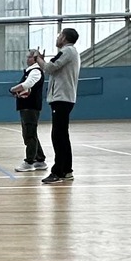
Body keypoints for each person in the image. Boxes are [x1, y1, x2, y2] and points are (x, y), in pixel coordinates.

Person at [42, 26, 82, 185]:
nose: (57, 37)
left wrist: (39, 59)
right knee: (62, 135)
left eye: (60, 35)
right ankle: (67, 170)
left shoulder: (68, 51)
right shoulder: (69, 52)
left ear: (64, 38)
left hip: (62, 99)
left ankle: (58, 171)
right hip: (62, 99)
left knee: (58, 136)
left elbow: (50, 67)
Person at [12, 49, 47, 171]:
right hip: (26, 107)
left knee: (29, 134)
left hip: (31, 107)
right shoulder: (29, 71)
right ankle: (40, 159)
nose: (27, 59)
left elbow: (27, 84)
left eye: (29, 57)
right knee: (30, 133)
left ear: (35, 58)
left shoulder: (36, 71)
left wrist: (13, 89)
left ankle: (29, 162)